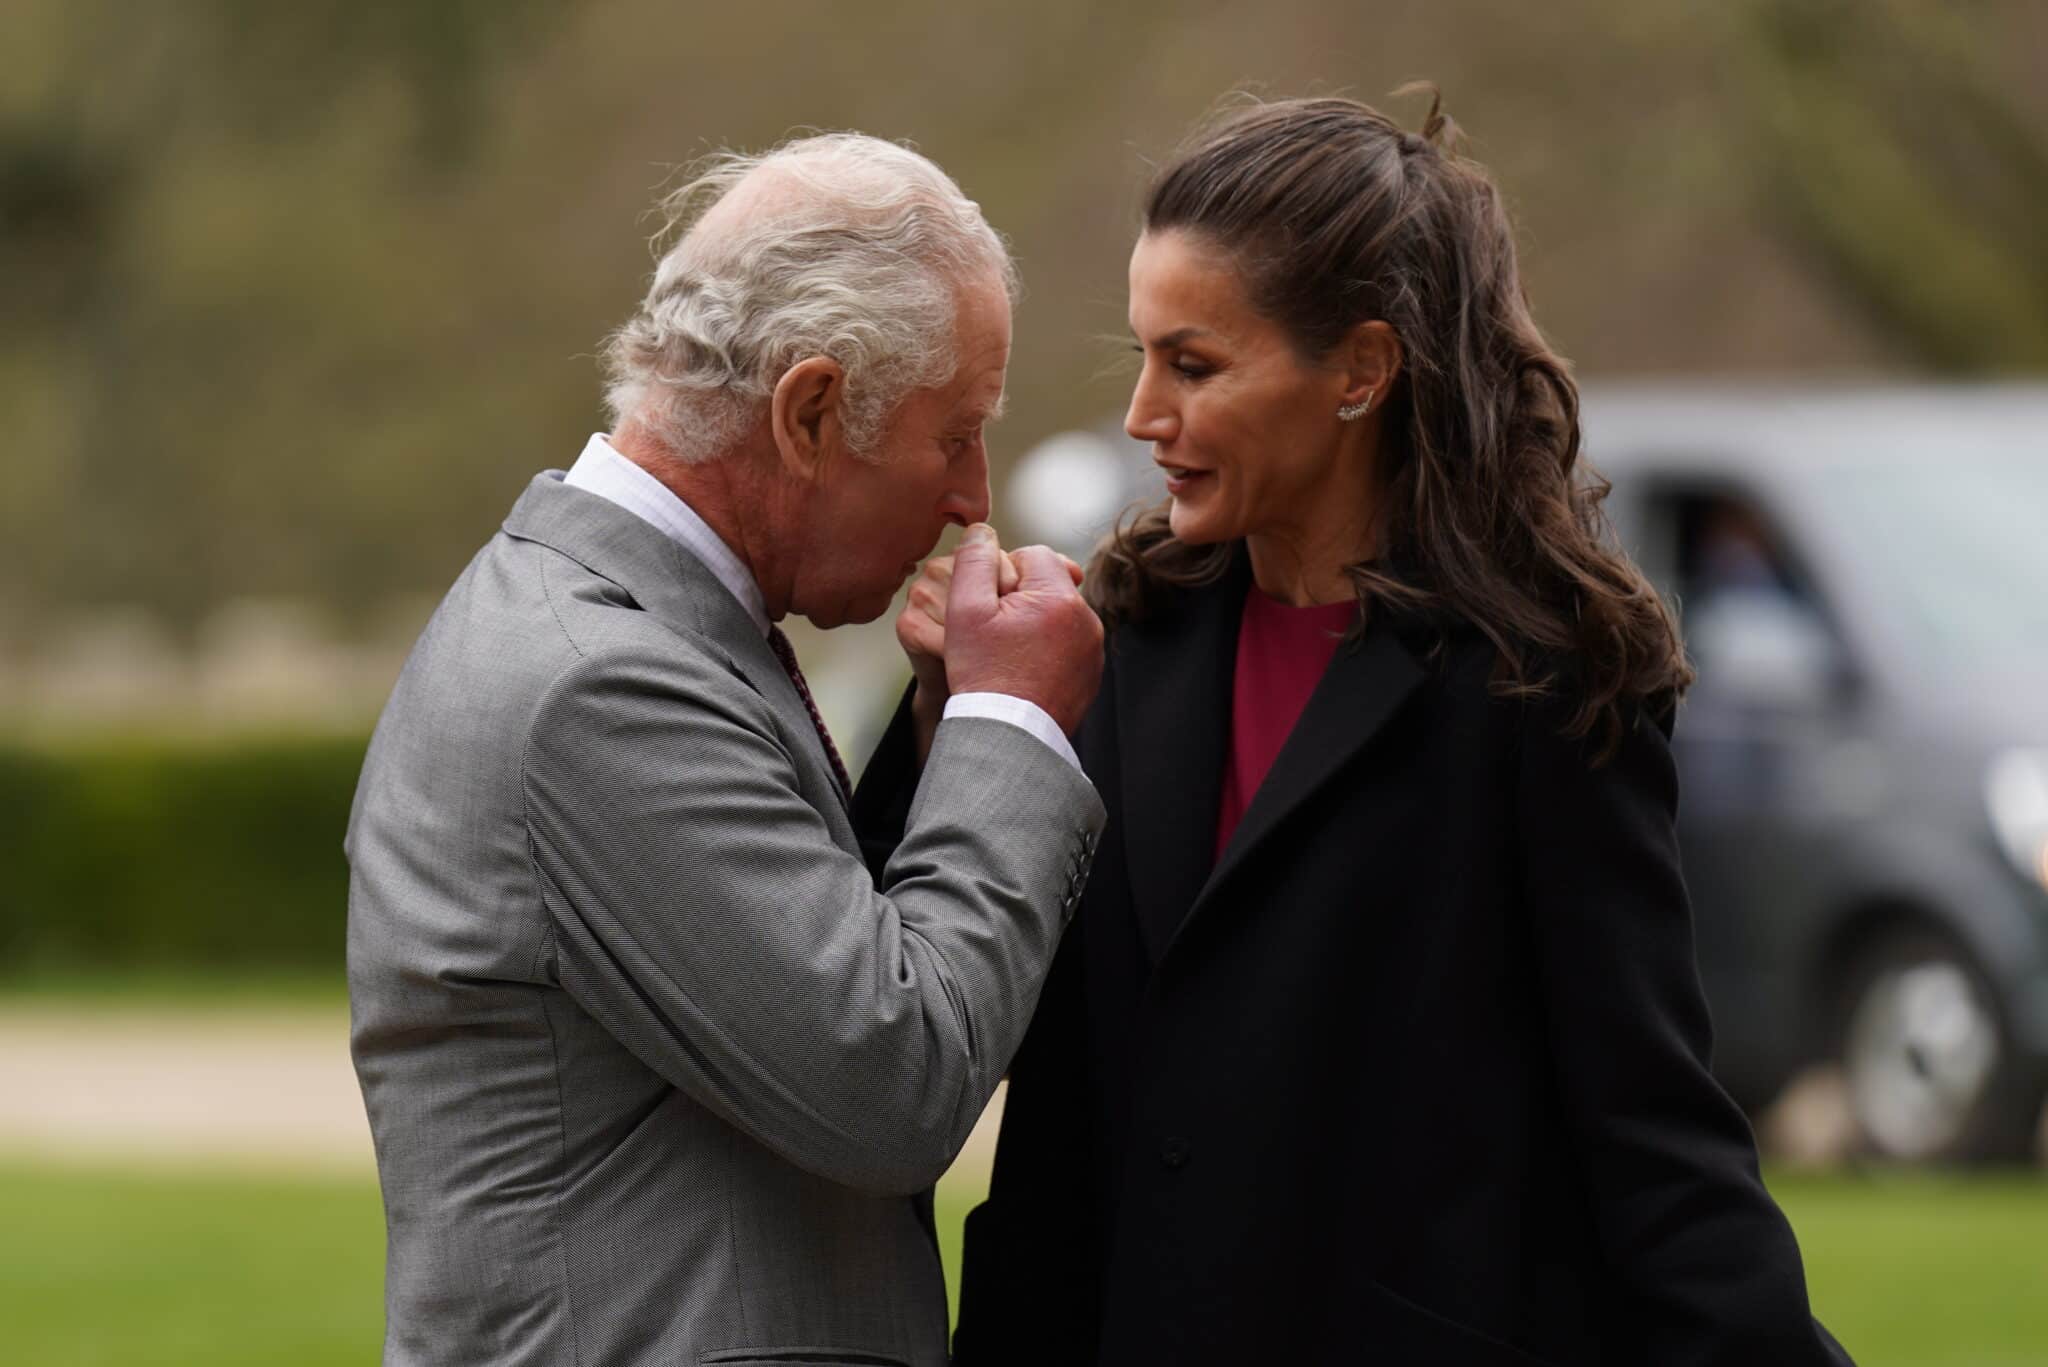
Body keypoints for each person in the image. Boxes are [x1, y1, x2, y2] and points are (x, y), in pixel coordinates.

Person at [872, 94, 1853, 1364]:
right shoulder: (1104, 644)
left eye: (1193, 364)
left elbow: (1650, 1140)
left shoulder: (1536, 689)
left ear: (1361, 370)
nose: (1139, 415)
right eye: (1139, 356)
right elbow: (897, 983)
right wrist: (959, 712)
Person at [345, 133, 1105, 1367]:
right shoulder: (597, 686)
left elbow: (808, 971)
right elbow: (891, 1078)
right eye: (954, 432)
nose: (973, 495)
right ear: (807, 411)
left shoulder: (631, 633)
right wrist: (1008, 720)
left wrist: (940, 724)